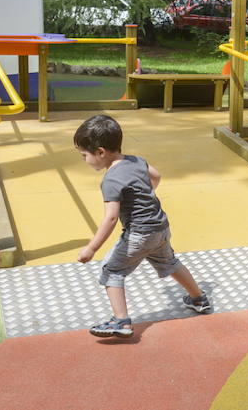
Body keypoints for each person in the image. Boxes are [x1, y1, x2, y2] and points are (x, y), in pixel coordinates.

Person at [73, 114, 211, 338]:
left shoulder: (111, 180)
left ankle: (121, 322)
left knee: (111, 271)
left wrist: (92, 248)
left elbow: (110, 218)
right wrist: (145, 194)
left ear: (100, 152)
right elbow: (156, 177)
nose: (84, 160)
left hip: (140, 233)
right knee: (169, 262)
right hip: (160, 228)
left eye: (84, 155)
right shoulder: (137, 161)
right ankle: (199, 299)